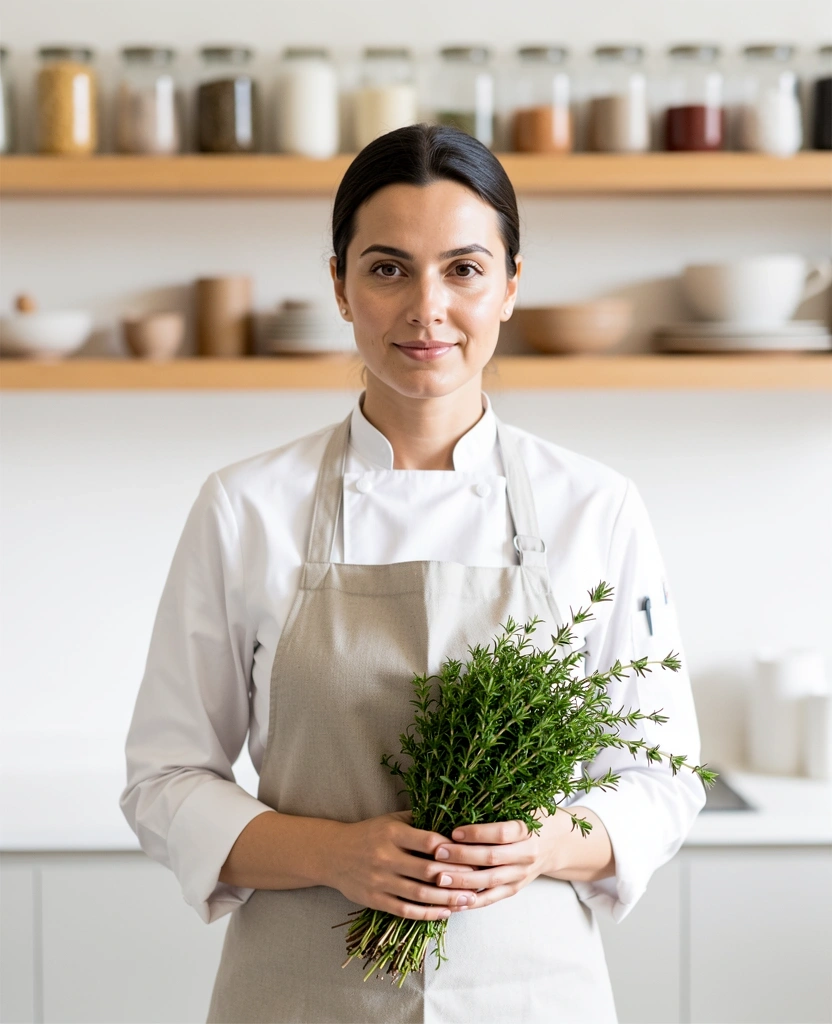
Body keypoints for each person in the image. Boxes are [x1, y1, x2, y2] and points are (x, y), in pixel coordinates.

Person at [120, 124, 706, 1024]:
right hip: (302, 994)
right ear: (340, 286)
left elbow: (660, 781)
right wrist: (332, 854)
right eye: (388, 268)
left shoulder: (598, 507)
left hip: (532, 995)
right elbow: (164, 779)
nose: (427, 309)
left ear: (511, 286)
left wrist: (541, 844)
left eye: (464, 270)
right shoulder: (245, 507)